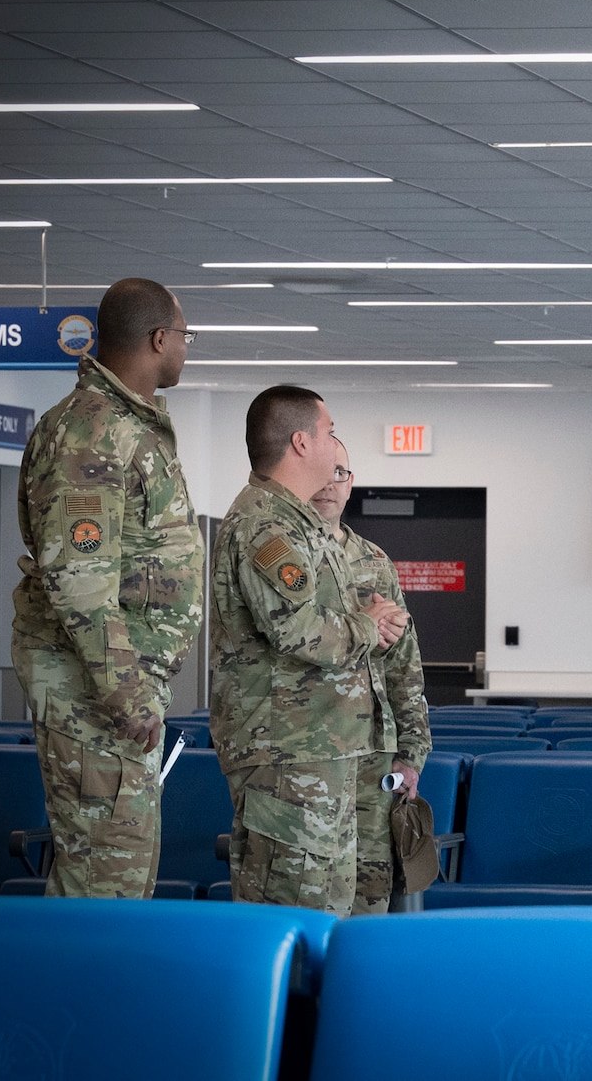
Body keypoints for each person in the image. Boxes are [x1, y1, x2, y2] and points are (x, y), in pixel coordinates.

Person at [11, 277, 203, 899]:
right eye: (183, 335)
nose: (185, 346)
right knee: (101, 876)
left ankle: (94, 992)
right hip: (95, 695)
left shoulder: (125, 425)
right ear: (156, 339)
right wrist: (128, 693)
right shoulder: (91, 434)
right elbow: (80, 581)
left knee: (121, 865)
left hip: (114, 691)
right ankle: (72, 995)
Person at [208, 385, 407, 915]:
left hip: (317, 752)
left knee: (333, 910)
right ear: (301, 442)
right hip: (285, 756)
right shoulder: (266, 525)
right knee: (295, 911)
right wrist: (367, 625)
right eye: (329, 431)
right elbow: (296, 628)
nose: (334, 441)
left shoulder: (298, 523)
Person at [307, 435, 432, 914]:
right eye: (321, 472)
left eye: (340, 473)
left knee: (370, 895)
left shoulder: (376, 562)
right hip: (315, 747)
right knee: (315, 896)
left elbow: (405, 666)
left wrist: (412, 752)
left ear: (351, 483)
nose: (329, 484)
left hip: (375, 756)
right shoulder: (290, 557)